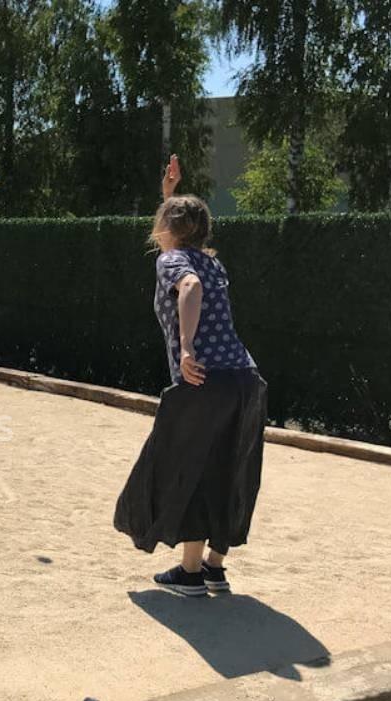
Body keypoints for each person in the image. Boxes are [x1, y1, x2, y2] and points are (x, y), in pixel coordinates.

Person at [113, 155, 268, 597]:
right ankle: (214, 567)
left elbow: (189, 287)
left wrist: (185, 346)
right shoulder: (210, 260)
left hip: (205, 380)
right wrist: (170, 194)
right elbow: (184, 251)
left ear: (169, 228)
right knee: (230, 467)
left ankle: (190, 573)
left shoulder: (174, 263)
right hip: (245, 378)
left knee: (187, 467)